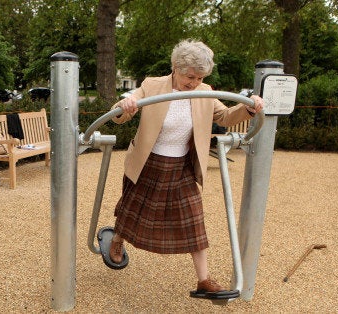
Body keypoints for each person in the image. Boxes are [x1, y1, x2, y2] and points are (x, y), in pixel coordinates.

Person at [108, 39, 264, 299]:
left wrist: (248, 107)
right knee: (132, 211)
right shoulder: (152, 85)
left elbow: (225, 117)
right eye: (189, 76)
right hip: (148, 162)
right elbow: (122, 112)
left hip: (182, 167)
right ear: (175, 67)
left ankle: (203, 280)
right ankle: (116, 240)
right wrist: (124, 106)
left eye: (200, 77)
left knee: (194, 221)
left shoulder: (204, 92)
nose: (194, 82)